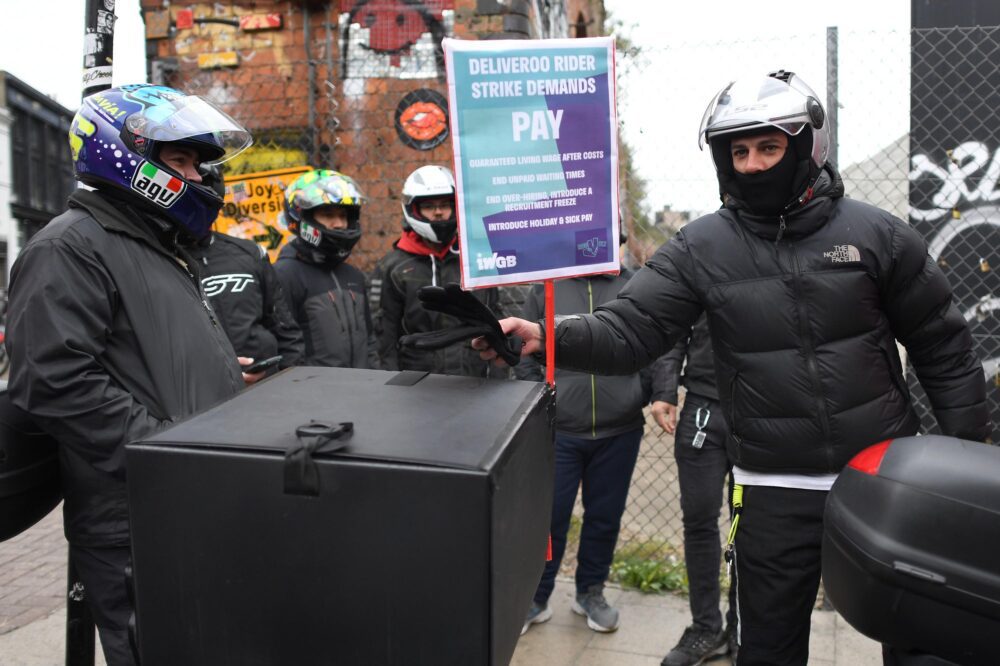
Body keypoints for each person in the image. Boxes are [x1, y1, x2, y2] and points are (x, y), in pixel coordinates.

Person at [475, 70, 989, 666]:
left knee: (925, 642)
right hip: (772, 486)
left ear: (804, 146)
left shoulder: (878, 235)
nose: (751, 165)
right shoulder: (700, 247)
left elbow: (943, 347)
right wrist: (546, 338)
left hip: (883, 478)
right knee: (765, 649)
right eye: (737, 151)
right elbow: (630, 328)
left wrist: (963, 455)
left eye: (768, 147)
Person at [5, 84, 255, 665]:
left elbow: (146, 358)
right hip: (136, 520)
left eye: (198, 162)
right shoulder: (69, 247)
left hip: (190, 498)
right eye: (180, 160)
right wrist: (165, 454)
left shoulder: (156, 244)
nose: (196, 175)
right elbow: (54, 381)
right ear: (127, 155)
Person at [517, 237, 652, 636]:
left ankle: (590, 592)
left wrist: (638, 394)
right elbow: (523, 351)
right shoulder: (547, 287)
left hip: (619, 430)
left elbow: (654, 344)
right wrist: (540, 403)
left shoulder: (637, 286)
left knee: (604, 518)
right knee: (550, 517)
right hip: (560, 431)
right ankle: (536, 596)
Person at [651, 315, 737, 665]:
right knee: (699, 521)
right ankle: (706, 628)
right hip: (703, 408)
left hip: (763, 411)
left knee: (753, 529)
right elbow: (672, 330)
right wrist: (665, 390)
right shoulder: (701, 261)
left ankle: (743, 629)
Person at [369, 165, 502, 376]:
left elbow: (497, 320)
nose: (438, 212)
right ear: (414, 210)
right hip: (417, 382)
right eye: (429, 206)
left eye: (444, 205)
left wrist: (499, 379)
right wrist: (389, 388)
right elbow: (383, 337)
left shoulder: (475, 258)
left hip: (473, 377)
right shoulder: (393, 267)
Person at [186, 170, 305, 374]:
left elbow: (285, 329)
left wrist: (294, 384)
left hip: (267, 386)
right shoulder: (154, 258)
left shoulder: (249, 252)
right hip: (206, 393)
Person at [273, 169, 378, 368]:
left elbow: (370, 344)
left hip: (363, 391)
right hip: (315, 393)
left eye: (343, 215)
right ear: (303, 217)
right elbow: (285, 349)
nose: (338, 224)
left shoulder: (353, 275)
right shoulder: (284, 275)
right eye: (328, 214)